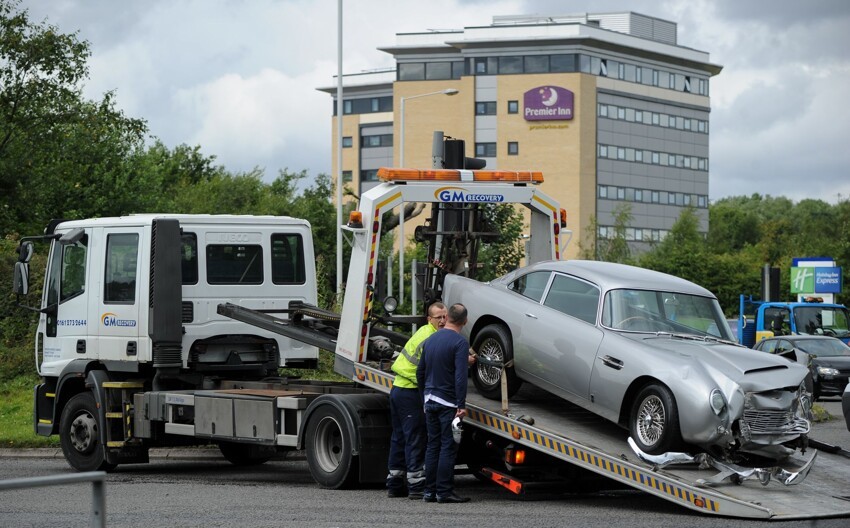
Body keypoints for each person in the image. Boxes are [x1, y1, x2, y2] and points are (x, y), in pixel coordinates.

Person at [386, 302, 447, 499]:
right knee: (415, 438)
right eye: (438, 317)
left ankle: (395, 483)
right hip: (409, 391)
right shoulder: (431, 337)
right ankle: (416, 485)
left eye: (445, 316)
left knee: (399, 436)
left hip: (398, 389)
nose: (443, 320)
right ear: (430, 319)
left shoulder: (424, 332)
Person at [417, 303, 471, 504]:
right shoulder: (459, 342)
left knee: (433, 446)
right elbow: (460, 376)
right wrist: (461, 404)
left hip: (430, 400)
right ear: (464, 321)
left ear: (447, 317)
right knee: (448, 447)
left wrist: (424, 397)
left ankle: (429, 492)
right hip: (448, 403)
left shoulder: (430, 339)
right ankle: (444, 492)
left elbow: (420, 371)